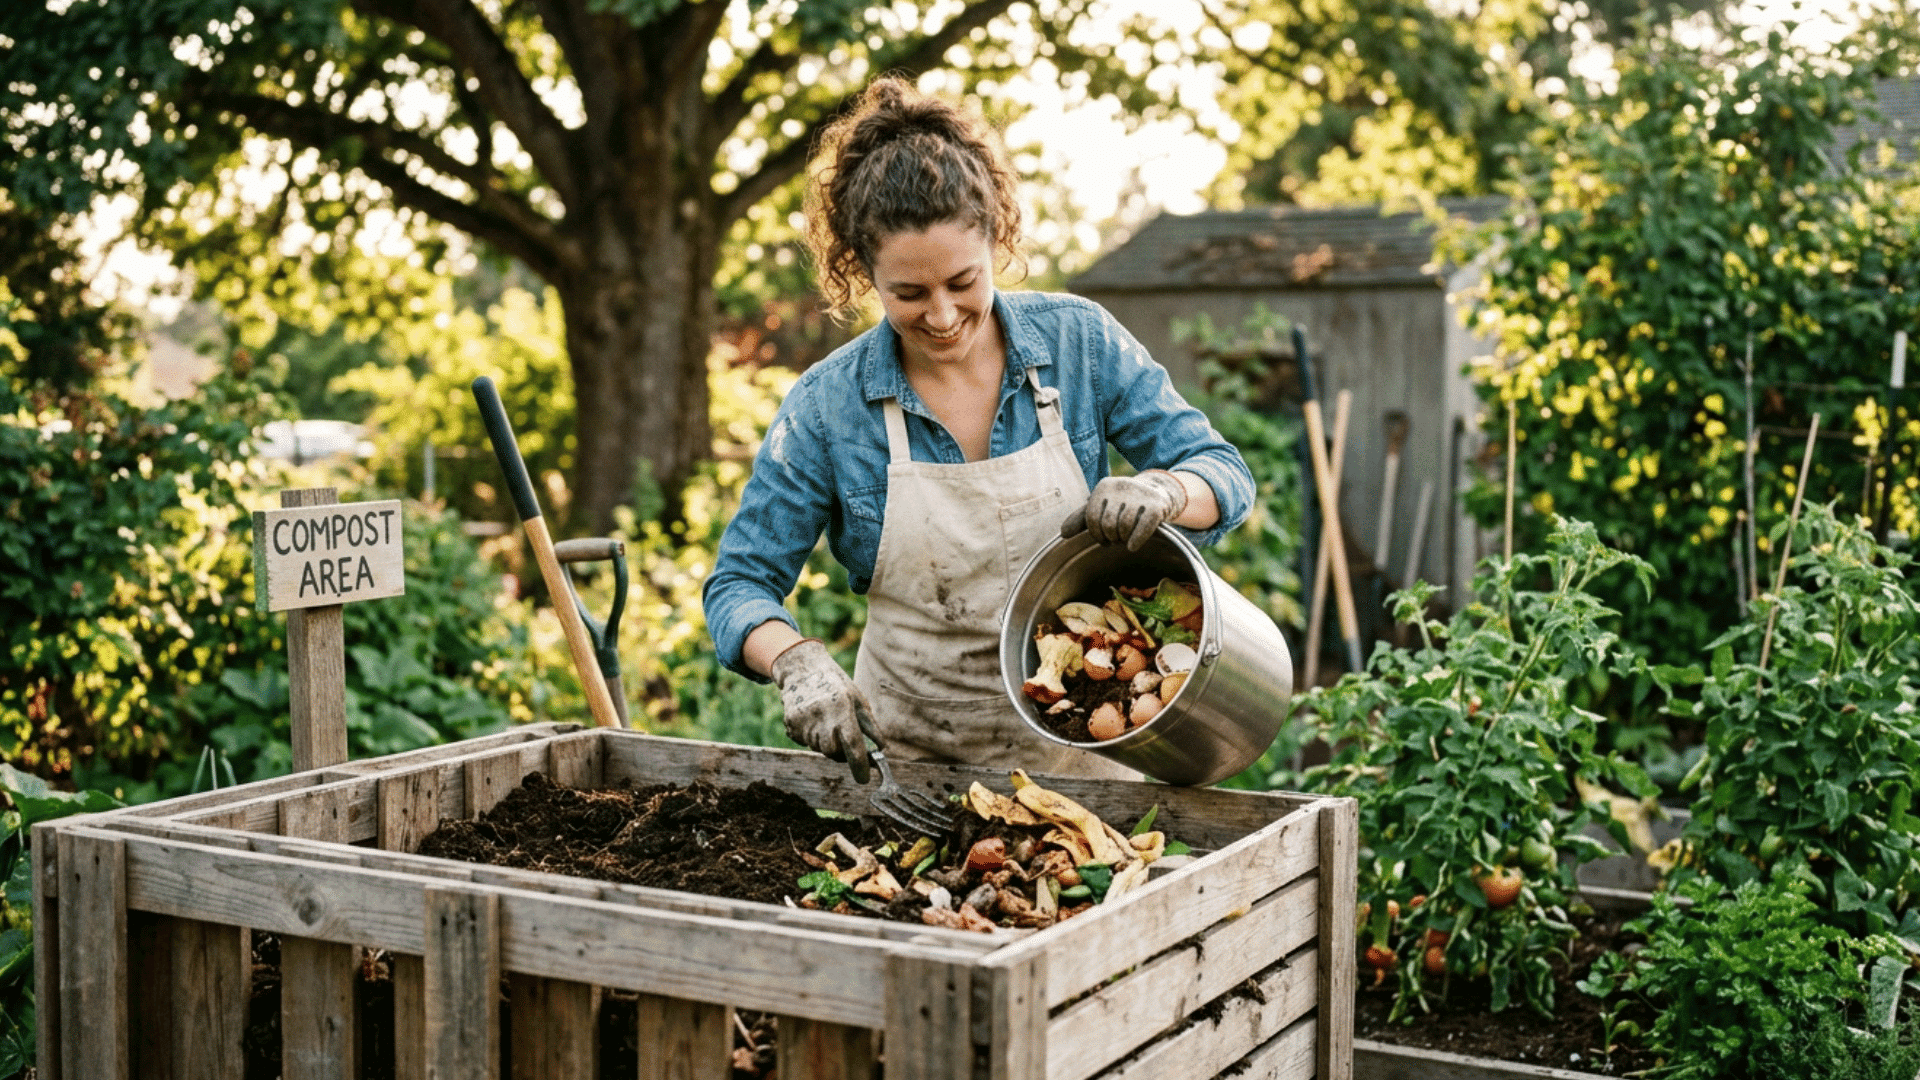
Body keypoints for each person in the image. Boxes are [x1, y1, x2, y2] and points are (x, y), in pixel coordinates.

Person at [701, 75, 1255, 783]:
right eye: (908, 293)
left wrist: (1166, 491)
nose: (940, 314)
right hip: (907, 770)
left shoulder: (1078, 343)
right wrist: (793, 660)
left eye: (963, 282)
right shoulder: (826, 408)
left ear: (997, 238)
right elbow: (740, 583)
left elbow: (1222, 471)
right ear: (863, 271)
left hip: (1082, 757)